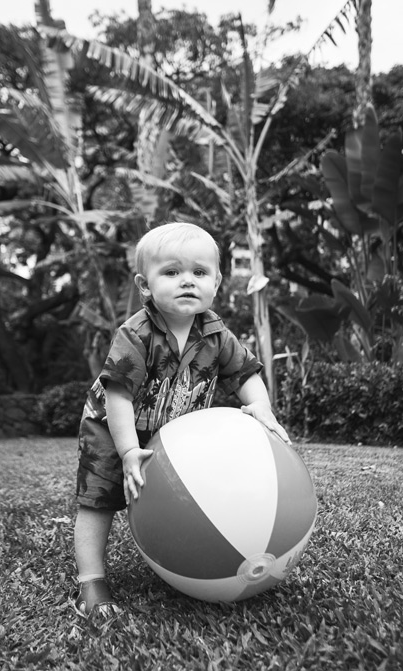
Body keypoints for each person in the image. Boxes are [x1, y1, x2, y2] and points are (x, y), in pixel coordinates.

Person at [72, 222, 289, 619]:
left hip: (173, 434)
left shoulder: (215, 333)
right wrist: (127, 451)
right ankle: (91, 581)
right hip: (111, 427)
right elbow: (118, 395)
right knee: (98, 501)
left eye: (199, 272)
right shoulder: (136, 333)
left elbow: (245, 374)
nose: (187, 281)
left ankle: (191, 553)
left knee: (187, 494)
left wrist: (260, 406)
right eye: (171, 272)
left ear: (217, 281)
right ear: (145, 285)